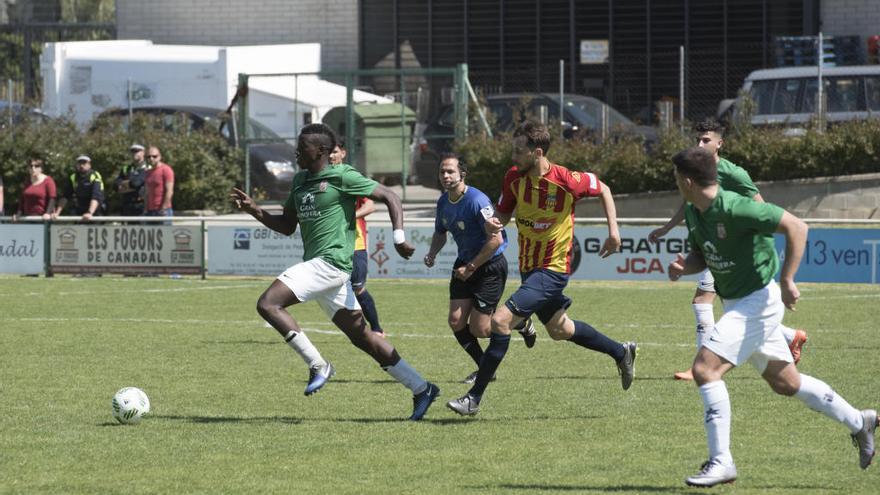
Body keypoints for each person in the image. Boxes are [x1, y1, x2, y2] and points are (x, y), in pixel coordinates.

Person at [667, 146, 877, 487]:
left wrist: (787, 279)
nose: (675, 182)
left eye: (676, 177)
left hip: (758, 302)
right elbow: (701, 255)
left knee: (705, 369)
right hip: (736, 303)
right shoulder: (695, 212)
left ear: (688, 181)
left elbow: (797, 227)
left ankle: (722, 462)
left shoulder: (737, 207)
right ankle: (860, 421)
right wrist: (684, 266)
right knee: (786, 383)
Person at [230, 123, 440, 421]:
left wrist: (399, 238)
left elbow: (390, 196)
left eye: (302, 148)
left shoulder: (343, 175)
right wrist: (254, 209)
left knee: (268, 304)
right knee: (363, 337)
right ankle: (422, 388)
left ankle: (318, 365)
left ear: (321, 151)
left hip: (332, 263)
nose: (296, 153)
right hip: (323, 271)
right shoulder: (300, 181)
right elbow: (287, 226)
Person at [446, 120, 637, 417]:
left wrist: (614, 232)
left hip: (554, 266)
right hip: (529, 265)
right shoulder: (513, 177)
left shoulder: (566, 179)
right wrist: (494, 221)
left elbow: (604, 189)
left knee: (500, 321)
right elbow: (504, 213)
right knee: (561, 329)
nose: (513, 156)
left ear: (537, 152)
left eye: (518, 151)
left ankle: (474, 398)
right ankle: (620, 351)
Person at [650, 119, 809, 381]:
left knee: (702, 301)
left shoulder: (734, 174)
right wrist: (667, 227)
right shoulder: (696, 170)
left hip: (730, 249)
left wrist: (742, 243)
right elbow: (687, 205)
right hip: (714, 248)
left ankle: (700, 366)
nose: (700, 144)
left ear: (719, 143)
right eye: (697, 140)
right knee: (737, 313)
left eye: (706, 140)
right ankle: (791, 336)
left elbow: (760, 206)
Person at [424, 153, 537, 384]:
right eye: (442, 172)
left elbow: (496, 240)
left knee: (481, 329)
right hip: (464, 263)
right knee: (456, 321)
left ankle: (520, 322)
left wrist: (472, 267)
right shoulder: (443, 202)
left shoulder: (477, 200)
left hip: (489, 265)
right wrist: (432, 253)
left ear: (462, 174)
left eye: (450, 171)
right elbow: (440, 232)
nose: (445, 176)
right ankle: (485, 369)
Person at [329, 139, 385, 336]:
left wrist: (349, 217)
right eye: (328, 152)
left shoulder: (351, 177)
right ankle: (357, 329)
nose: (331, 156)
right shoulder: (322, 179)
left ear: (343, 153)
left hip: (355, 243)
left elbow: (370, 205)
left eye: (335, 151)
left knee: (358, 288)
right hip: (332, 246)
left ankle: (377, 329)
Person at [55, 155, 104, 220]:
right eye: (79, 163)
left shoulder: (95, 175)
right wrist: (57, 213)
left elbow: (96, 196)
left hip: (96, 210)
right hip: (80, 209)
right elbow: (65, 196)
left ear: (89, 164)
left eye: (84, 163)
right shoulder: (73, 177)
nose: (81, 165)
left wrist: (90, 212)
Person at [115, 144, 148, 216]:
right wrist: (130, 184)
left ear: (143, 152)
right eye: (132, 151)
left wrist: (125, 185)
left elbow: (136, 183)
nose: (134, 153)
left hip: (141, 205)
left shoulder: (148, 168)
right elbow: (116, 185)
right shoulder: (126, 168)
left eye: (137, 151)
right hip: (126, 205)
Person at [145, 146, 174, 217]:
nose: (151, 158)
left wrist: (164, 208)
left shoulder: (166, 170)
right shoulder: (147, 172)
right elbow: (147, 192)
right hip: (150, 211)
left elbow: (169, 191)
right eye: (149, 157)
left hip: (163, 211)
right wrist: (145, 208)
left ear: (160, 157)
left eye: (154, 156)